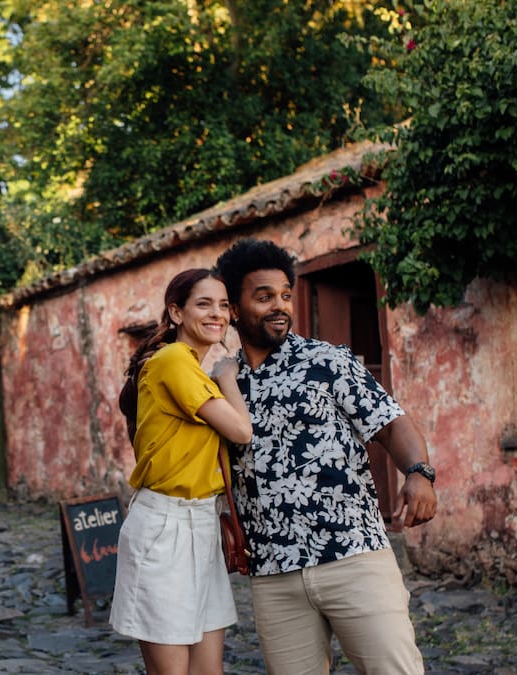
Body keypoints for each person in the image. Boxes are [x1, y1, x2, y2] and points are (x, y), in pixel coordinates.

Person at [213, 238, 438, 675]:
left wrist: (419, 472)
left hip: (353, 556)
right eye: (263, 297)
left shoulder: (327, 361)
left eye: (284, 295)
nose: (279, 306)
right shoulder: (223, 381)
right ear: (234, 309)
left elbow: (390, 423)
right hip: (273, 571)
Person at [110, 268, 253, 675]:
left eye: (224, 305)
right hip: (164, 527)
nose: (218, 314)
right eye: (204, 304)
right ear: (175, 312)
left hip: (202, 524)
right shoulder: (174, 359)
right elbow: (241, 431)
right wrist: (228, 377)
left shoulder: (187, 365)